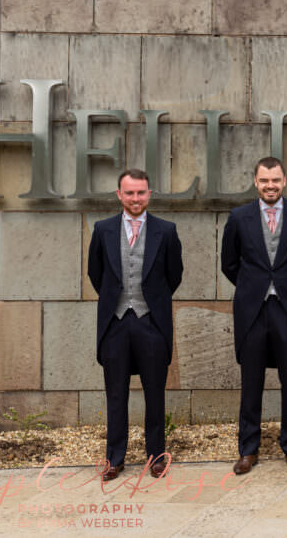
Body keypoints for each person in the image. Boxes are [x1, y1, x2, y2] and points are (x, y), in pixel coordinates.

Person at [221, 157, 287, 474]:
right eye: (264, 181)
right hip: (253, 310)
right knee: (251, 383)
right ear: (256, 182)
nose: (270, 186)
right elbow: (229, 264)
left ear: (285, 181)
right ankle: (248, 449)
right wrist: (255, 286)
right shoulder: (239, 218)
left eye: (275, 180)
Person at [87, 168, 183, 481]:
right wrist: (118, 301)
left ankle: (156, 456)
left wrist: (151, 303)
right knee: (116, 394)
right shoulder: (103, 229)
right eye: (129, 193)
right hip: (115, 323)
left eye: (141, 192)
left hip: (151, 322)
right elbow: (96, 274)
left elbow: (174, 276)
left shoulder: (166, 231)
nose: (135, 198)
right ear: (119, 195)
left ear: (149, 193)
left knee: (155, 393)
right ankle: (115, 458)